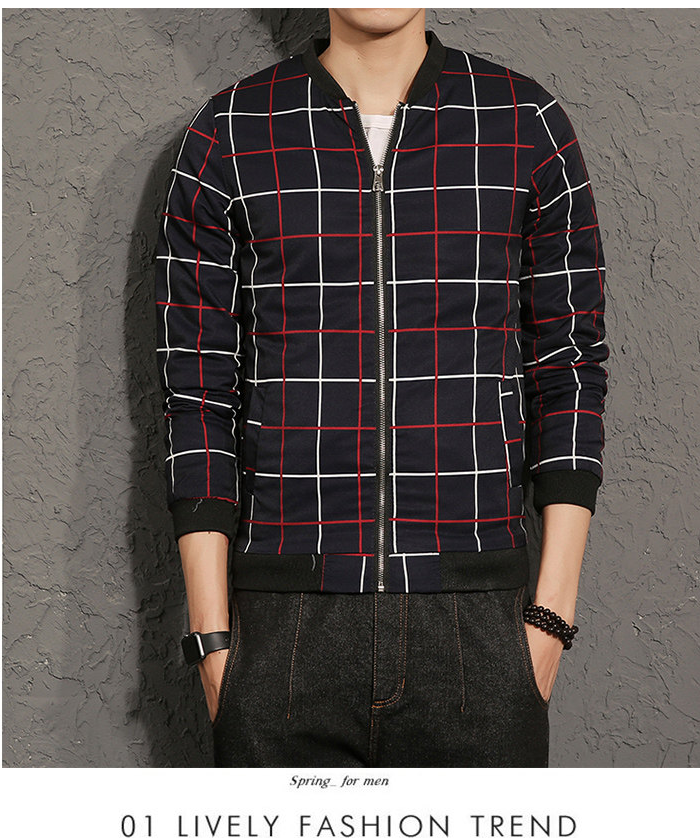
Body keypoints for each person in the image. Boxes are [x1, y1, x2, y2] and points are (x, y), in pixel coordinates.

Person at [154, 7, 608, 767]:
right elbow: (195, 385)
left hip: (479, 623)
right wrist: (212, 641)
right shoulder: (230, 133)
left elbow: (569, 368)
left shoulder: (524, 125)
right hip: (281, 623)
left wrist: (551, 619)